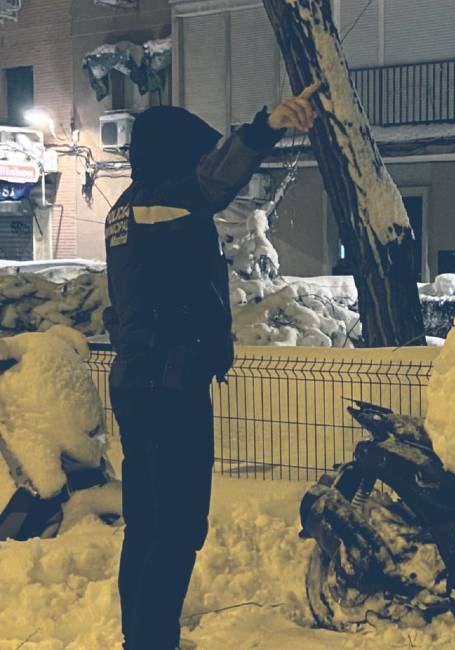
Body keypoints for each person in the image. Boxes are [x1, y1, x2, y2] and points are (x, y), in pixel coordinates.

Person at [104, 82, 319, 650]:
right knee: (175, 527)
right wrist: (264, 128)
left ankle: (143, 639)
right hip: (166, 386)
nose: (201, 163)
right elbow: (212, 184)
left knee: (149, 526)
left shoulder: (130, 211)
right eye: (194, 154)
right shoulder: (154, 203)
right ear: (173, 156)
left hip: (142, 383)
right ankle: (152, 643)